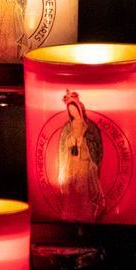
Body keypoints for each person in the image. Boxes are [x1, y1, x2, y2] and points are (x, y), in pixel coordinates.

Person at [50, 89, 106, 220]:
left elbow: (96, 145)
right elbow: (63, 146)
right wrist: (71, 141)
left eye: (74, 109)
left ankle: (86, 215)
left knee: (83, 191)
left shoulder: (90, 127)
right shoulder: (67, 127)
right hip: (71, 163)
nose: (72, 112)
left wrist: (83, 142)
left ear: (79, 109)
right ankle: (70, 215)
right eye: (70, 110)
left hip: (84, 162)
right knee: (72, 191)